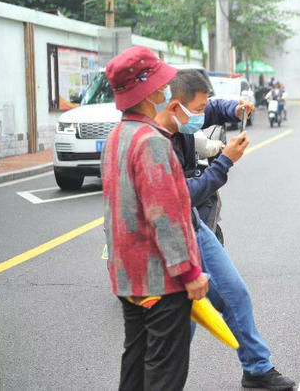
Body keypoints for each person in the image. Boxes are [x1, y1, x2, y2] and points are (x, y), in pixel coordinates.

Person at [157, 70, 296, 390]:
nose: (203, 112)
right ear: (176, 105)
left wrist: (234, 108)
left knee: (233, 294)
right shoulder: (156, 142)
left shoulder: (179, 119)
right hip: (174, 232)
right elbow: (184, 195)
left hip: (193, 223)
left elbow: (209, 107)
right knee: (181, 323)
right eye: (199, 107)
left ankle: (258, 369)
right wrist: (226, 161)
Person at [101, 46, 209, 391]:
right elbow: (165, 215)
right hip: (160, 281)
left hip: (128, 278)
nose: (166, 92)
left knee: (135, 361)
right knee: (164, 372)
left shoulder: (117, 137)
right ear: (150, 94)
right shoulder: (153, 142)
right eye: (162, 87)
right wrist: (190, 273)